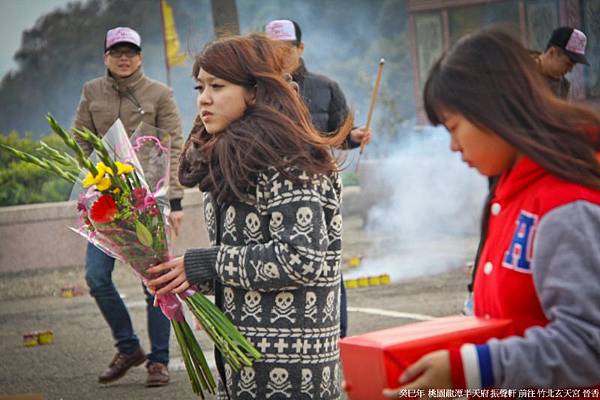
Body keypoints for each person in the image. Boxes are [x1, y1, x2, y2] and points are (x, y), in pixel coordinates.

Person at [382, 28, 600, 395]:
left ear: (494, 111)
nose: (452, 147)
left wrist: (473, 367)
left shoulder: (566, 203)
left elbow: (589, 344)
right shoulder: (510, 192)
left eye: (454, 128)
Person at [146, 33, 351, 399]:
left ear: (254, 92)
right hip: (243, 360)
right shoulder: (227, 157)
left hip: (291, 371)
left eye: (218, 86)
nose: (204, 98)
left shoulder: (289, 160)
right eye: (200, 86)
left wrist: (204, 266)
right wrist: (184, 278)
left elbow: (302, 258)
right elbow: (243, 258)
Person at [73, 26, 185, 387]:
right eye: (117, 52)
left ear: (140, 56)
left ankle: (159, 361)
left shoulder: (160, 93)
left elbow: (176, 145)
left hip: (149, 202)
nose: (124, 58)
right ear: (106, 56)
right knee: (96, 276)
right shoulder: (92, 91)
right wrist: (92, 181)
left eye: (131, 52)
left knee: (155, 282)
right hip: (106, 202)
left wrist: (176, 199)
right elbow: (78, 140)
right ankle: (128, 346)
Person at [265, 18, 372, 339]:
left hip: (318, 188)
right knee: (278, 260)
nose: (280, 55)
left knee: (325, 258)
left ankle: (336, 334)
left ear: (300, 48)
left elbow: (338, 136)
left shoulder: (326, 88)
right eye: (273, 49)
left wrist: (353, 137)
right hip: (270, 189)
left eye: (287, 48)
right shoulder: (256, 89)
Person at [531, 26, 590, 99]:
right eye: (568, 64)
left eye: (573, 65)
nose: (570, 70)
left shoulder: (563, 86)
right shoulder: (521, 71)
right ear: (552, 52)